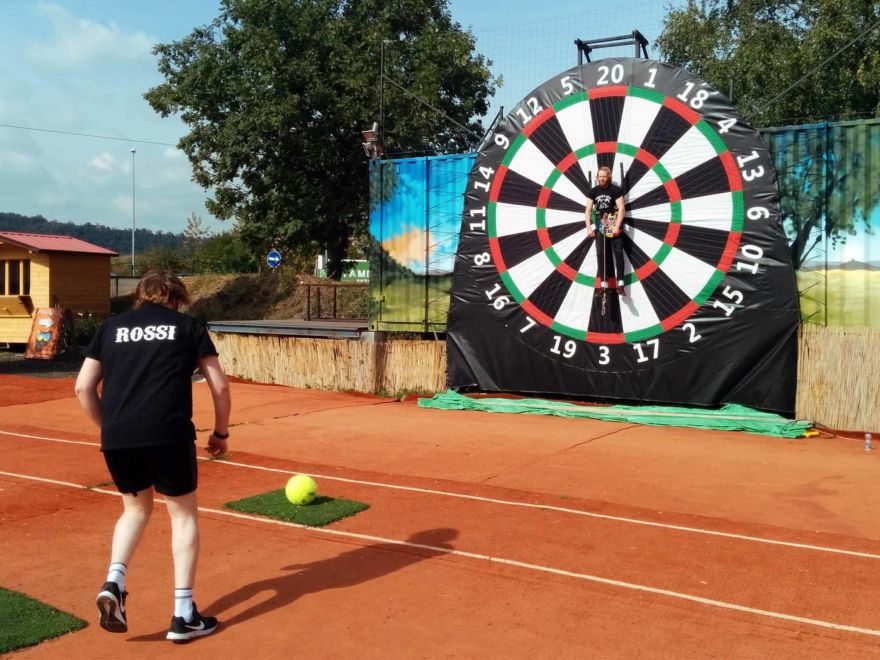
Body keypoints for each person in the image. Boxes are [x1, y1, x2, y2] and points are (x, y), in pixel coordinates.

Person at [75, 270, 231, 642]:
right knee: (183, 515)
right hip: (168, 434)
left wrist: (109, 429)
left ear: (141, 296)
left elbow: (82, 387)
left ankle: (114, 580)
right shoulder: (188, 326)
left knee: (134, 510)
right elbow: (220, 386)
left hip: (119, 437)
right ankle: (183, 614)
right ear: (176, 298)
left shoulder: (110, 327)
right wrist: (220, 432)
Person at [585, 166, 628, 296]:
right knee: (600, 253)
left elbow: (621, 208)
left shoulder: (615, 190)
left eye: (604, 176)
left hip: (613, 220)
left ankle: (620, 284)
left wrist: (617, 226)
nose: (602, 179)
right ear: (597, 177)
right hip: (601, 222)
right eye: (600, 176)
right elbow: (588, 210)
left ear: (609, 177)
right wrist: (588, 227)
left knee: (618, 252)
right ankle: (603, 285)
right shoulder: (593, 191)